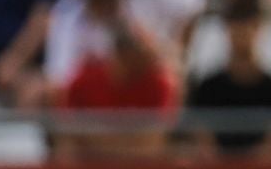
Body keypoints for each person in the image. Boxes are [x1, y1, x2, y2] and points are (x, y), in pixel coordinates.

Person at [45, 0, 204, 105]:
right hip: (101, 101)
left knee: (172, 75)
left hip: (151, 80)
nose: (104, 2)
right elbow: (58, 79)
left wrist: (179, 51)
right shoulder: (70, 10)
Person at [187, 0, 271, 159]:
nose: (242, 33)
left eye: (249, 26)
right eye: (236, 26)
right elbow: (205, 146)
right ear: (227, 29)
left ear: (260, 29)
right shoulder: (206, 89)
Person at [58, 24, 180, 161]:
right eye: (134, 56)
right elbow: (68, 138)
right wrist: (130, 139)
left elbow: (152, 145)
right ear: (118, 55)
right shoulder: (85, 78)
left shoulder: (159, 83)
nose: (143, 62)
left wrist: (94, 136)